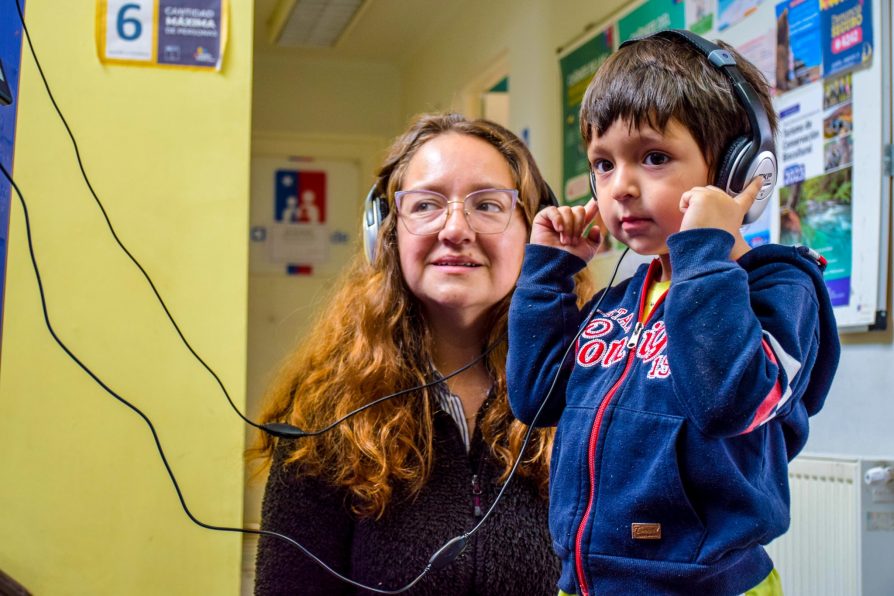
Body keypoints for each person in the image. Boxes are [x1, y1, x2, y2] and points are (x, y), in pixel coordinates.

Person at [506, 32, 840, 596]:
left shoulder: (783, 287)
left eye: (654, 158)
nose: (621, 188)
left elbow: (726, 401)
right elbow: (535, 398)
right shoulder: (620, 302)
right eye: (603, 165)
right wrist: (547, 273)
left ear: (735, 171)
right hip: (587, 584)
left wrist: (707, 246)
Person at [253, 113, 589, 595]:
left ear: (536, 232)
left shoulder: (592, 386)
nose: (455, 229)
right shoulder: (325, 413)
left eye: (488, 205)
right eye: (427, 204)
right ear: (386, 233)